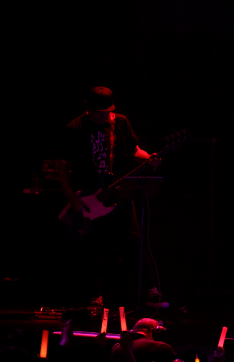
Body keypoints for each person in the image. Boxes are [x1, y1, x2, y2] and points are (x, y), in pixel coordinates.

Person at [56, 86, 164, 308]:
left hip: (119, 192)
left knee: (134, 240)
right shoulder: (74, 128)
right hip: (90, 197)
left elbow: (134, 150)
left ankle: (149, 290)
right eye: (98, 112)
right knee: (97, 246)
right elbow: (62, 164)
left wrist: (149, 158)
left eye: (106, 112)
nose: (103, 116)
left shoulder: (120, 122)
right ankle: (96, 295)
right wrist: (70, 195)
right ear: (87, 107)